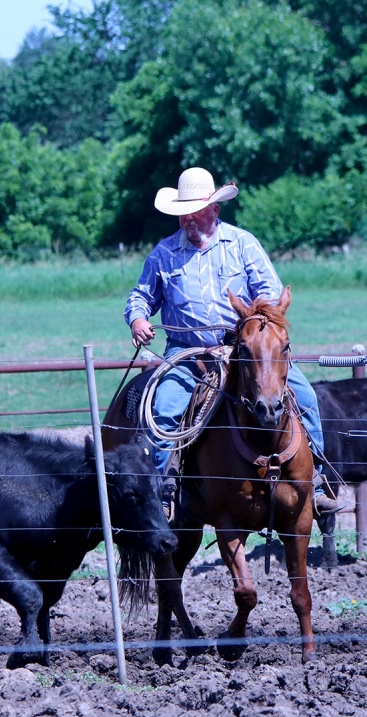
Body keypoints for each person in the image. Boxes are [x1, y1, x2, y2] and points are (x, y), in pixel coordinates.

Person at [124, 166, 340, 514]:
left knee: (306, 397)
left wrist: (251, 323)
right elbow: (140, 296)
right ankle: (159, 492)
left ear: (214, 210)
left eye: (195, 212)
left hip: (246, 350)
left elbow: (270, 293)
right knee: (164, 411)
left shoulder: (243, 244)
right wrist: (137, 318)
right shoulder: (163, 254)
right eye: (183, 214)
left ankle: (315, 480)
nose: (188, 219)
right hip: (186, 354)